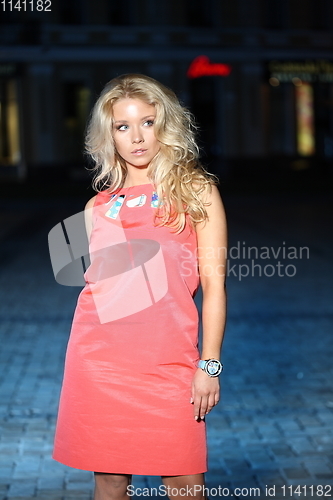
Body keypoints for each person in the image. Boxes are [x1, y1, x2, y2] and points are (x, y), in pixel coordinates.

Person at [52, 73, 228, 500]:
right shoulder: (97, 206)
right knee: (110, 483)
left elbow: (214, 287)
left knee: (186, 485)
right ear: (109, 135)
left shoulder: (196, 192)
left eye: (148, 122)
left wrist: (209, 366)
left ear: (165, 125)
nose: (137, 137)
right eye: (123, 126)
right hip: (100, 364)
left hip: (169, 364)